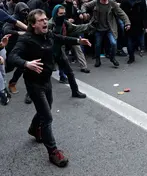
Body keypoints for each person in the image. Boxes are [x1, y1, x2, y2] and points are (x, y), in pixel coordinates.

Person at [8, 9, 92, 167]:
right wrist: (26, 64)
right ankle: (53, 152)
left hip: (46, 81)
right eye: (41, 20)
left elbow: (61, 38)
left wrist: (78, 41)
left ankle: (34, 128)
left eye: (46, 19)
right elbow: (13, 56)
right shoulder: (26, 39)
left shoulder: (49, 35)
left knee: (45, 110)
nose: (45, 22)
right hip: (33, 83)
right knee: (47, 117)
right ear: (33, 24)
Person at [81, 0, 131, 68]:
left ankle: (112, 58)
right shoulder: (96, 2)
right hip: (98, 28)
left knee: (114, 43)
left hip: (110, 28)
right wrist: (83, 12)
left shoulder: (112, 3)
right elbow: (84, 5)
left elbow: (121, 13)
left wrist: (127, 23)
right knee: (97, 45)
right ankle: (97, 59)